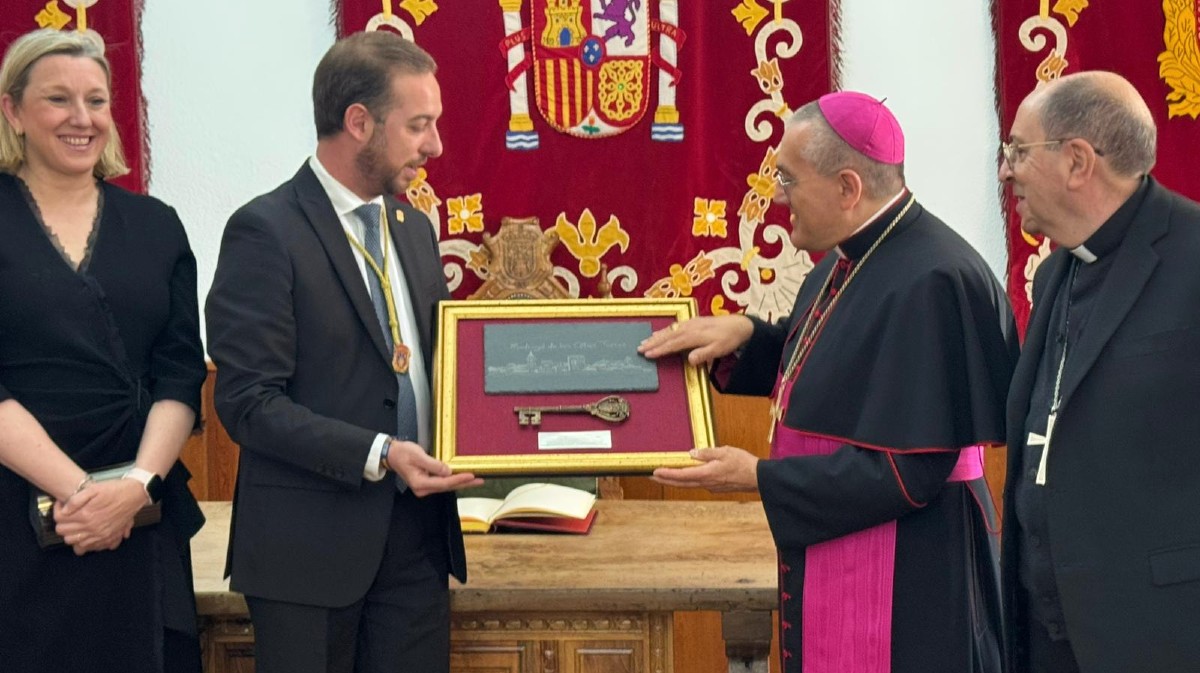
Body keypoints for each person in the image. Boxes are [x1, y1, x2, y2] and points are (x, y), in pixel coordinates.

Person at [640, 91, 1018, 673]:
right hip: (849, 544)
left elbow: (909, 471)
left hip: (912, 576)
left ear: (848, 187)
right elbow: (835, 369)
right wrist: (747, 337)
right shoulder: (847, 259)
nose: (775, 196)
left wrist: (759, 478)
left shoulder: (938, 280)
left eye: (788, 180)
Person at [205, 31, 482, 673]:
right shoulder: (265, 231)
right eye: (418, 125)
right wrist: (380, 454)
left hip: (418, 542)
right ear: (359, 122)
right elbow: (247, 403)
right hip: (310, 554)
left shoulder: (413, 228)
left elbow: (442, 367)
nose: (435, 145)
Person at [0, 29, 207, 673]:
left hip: (141, 521)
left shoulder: (157, 225)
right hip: (21, 519)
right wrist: (86, 497)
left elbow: (179, 375)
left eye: (96, 100)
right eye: (58, 99)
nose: (81, 118)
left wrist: (137, 489)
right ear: (13, 111)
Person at [998, 71, 1200, 673]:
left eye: (1018, 151)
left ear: (1078, 161)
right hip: (1048, 635)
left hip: (1161, 634)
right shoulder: (1056, 272)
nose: (1007, 171)